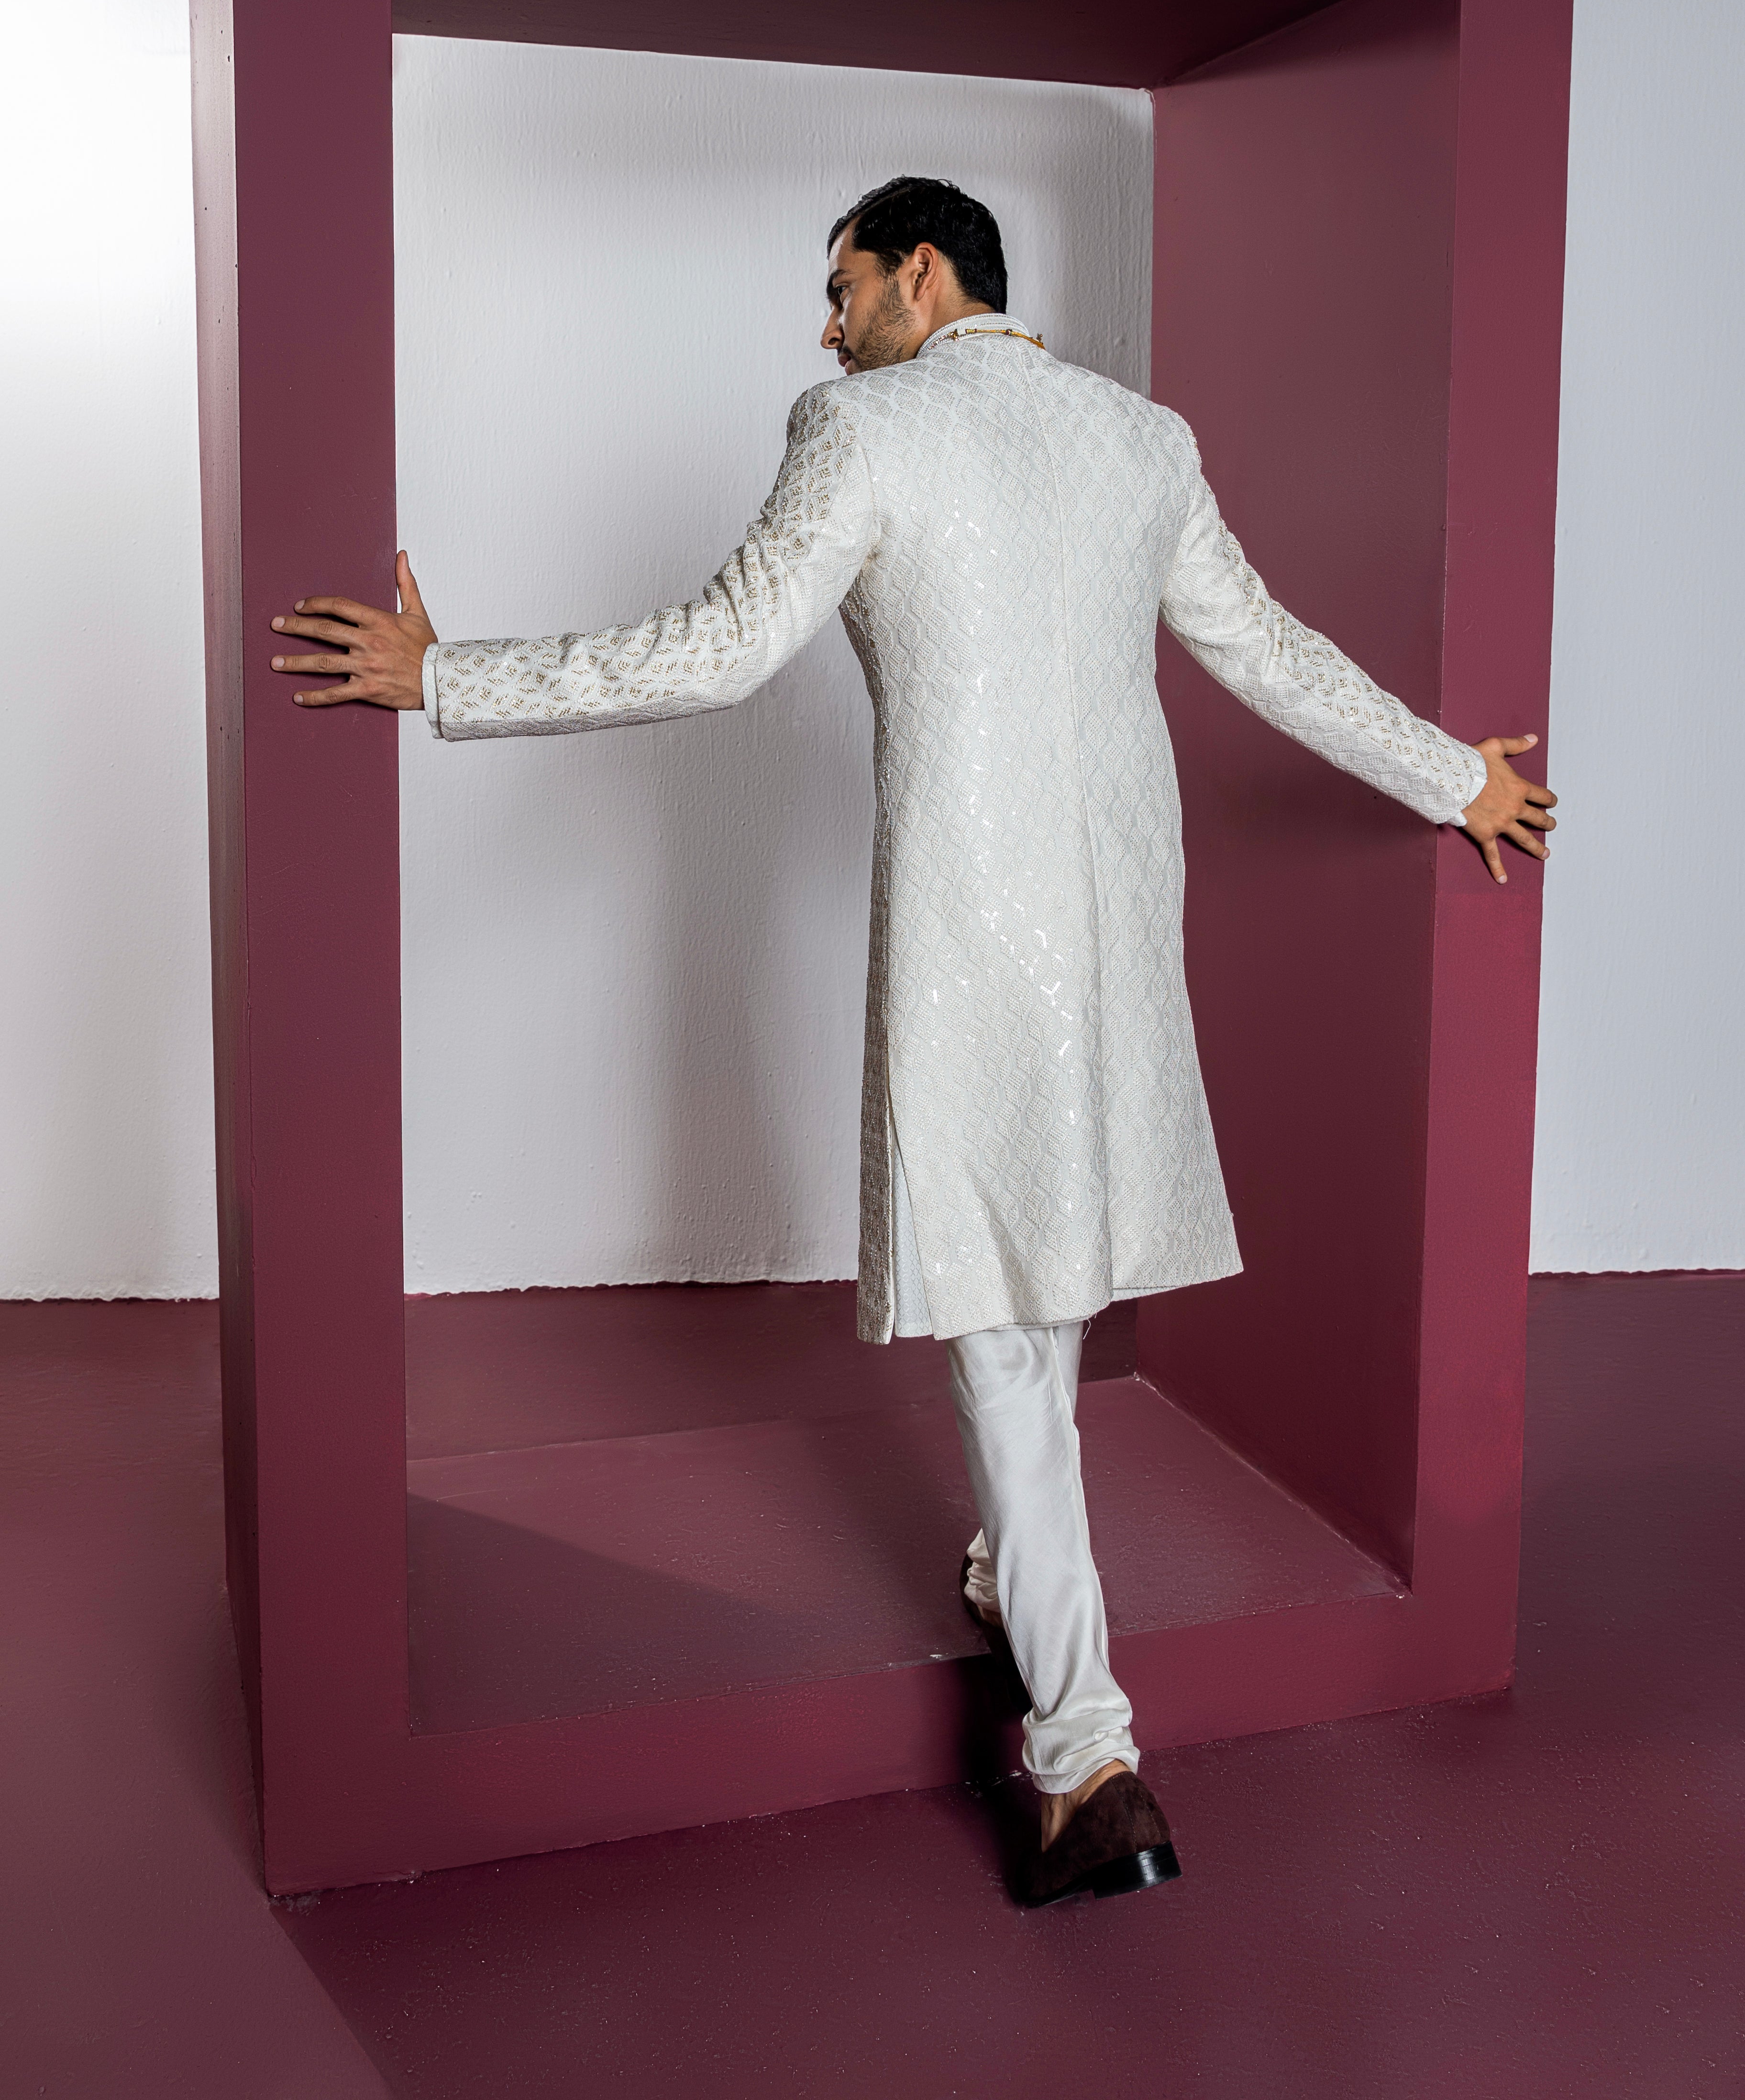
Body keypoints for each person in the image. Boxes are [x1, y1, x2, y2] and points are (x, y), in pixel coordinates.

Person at [269, 174, 1556, 1907]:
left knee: (1004, 1317)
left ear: (923, 275)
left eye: (843, 288)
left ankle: (1090, 1759)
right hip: (1117, 921)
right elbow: (1269, 652)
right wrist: (1457, 777)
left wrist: (450, 677)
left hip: (973, 931)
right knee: (1039, 1279)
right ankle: (1021, 1577)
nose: (827, 328)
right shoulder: (1142, 439)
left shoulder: (863, 427)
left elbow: (722, 650)